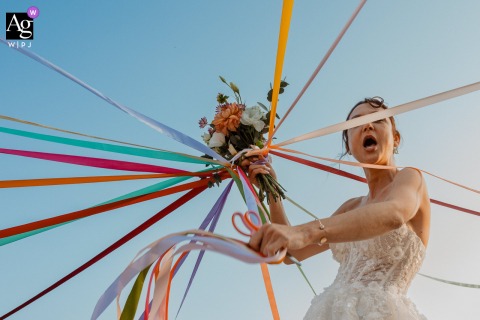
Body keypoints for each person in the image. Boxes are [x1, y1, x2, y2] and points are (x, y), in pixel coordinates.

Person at [242, 97, 430, 319]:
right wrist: (271, 189)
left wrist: (306, 231)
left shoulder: (410, 177)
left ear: (396, 139)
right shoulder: (350, 207)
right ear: (349, 146)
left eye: (377, 120)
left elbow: (395, 213)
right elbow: (292, 252)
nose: (368, 125)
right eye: (356, 123)